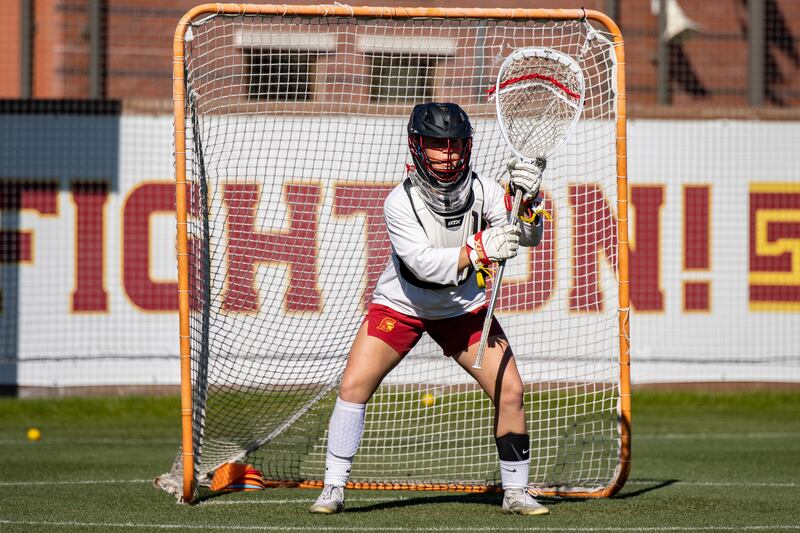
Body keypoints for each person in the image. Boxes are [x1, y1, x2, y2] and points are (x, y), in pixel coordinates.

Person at [309, 102, 548, 516]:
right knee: (353, 388)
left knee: (511, 392)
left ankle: (515, 492)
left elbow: (528, 237)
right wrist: (479, 247)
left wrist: (528, 204)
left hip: (463, 310)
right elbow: (424, 264)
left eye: (455, 145)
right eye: (438, 144)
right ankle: (333, 487)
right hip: (402, 305)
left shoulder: (485, 190)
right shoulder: (398, 202)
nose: (448, 154)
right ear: (418, 146)